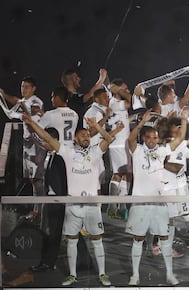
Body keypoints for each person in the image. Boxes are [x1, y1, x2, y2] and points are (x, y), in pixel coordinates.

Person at [22, 113, 116, 286]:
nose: (86, 137)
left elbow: (109, 138)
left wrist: (97, 126)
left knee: (97, 240)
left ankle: (103, 274)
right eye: (82, 135)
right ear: (74, 138)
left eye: (88, 135)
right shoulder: (67, 153)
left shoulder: (96, 152)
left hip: (92, 206)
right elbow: (47, 137)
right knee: (71, 241)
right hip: (73, 206)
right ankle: (72, 275)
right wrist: (31, 123)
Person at [126, 109, 188, 286]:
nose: (152, 140)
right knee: (138, 239)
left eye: (155, 137)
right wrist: (141, 123)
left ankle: (169, 274)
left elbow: (180, 138)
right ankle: (135, 275)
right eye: (149, 137)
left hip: (159, 202)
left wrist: (183, 119)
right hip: (139, 202)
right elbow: (130, 139)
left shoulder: (162, 151)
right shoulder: (136, 150)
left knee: (164, 239)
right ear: (144, 138)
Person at [1, 76, 46, 218]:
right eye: (22, 86)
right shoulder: (24, 102)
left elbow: (29, 114)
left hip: (36, 144)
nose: (23, 89)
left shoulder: (35, 102)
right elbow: (12, 112)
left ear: (33, 88)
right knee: (33, 180)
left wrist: (6, 99)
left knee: (38, 179)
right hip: (27, 143)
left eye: (26, 87)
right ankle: (36, 210)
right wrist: (2, 97)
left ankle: (43, 211)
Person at [163, 117, 189, 258]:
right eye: (177, 126)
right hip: (168, 188)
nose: (180, 128)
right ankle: (163, 247)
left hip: (180, 186)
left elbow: (178, 168)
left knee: (187, 215)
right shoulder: (163, 146)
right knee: (170, 218)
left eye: (181, 126)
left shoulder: (180, 146)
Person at [30, 128, 67, 272]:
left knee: (54, 233)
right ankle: (48, 261)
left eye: (45, 140)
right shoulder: (48, 156)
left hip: (57, 201)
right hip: (50, 199)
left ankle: (48, 262)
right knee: (51, 232)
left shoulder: (61, 157)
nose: (43, 143)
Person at [106, 78, 133, 219]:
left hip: (119, 142)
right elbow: (132, 101)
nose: (126, 91)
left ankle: (118, 206)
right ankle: (115, 206)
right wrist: (120, 90)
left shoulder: (113, 103)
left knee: (124, 173)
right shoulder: (115, 102)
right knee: (121, 173)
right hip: (120, 143)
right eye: (124, 88)